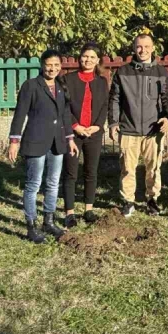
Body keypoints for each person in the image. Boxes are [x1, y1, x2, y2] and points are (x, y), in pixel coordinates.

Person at [8, 49, 78, 243]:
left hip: (57, 142)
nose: (52, 68)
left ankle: (49, 220)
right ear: (42, 64)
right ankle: (31, 226)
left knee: (53, 182)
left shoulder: (61, 86)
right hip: (35, 141)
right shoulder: (31, 86)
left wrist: (70, 139)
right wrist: (14, 141)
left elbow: (65, 115)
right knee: (33, 184)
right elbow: (19, 115)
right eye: (49, 65)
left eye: (56, 65)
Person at [109, 34, 168, 218]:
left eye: (147, 46)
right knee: (128, 168)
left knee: (153, 168)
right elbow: (114, 99)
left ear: (153, 48)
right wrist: (113, 123)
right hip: (128, 129)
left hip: (152, 131)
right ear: (134, 48)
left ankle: (152, 200)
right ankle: (128, 201)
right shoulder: (123, 72)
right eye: (139, 46)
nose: (143, 50)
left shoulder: (160, 72)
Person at [61, 42, 109, 228]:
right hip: (74, 133)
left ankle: (88, 209)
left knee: (91, 171)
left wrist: (97, 126)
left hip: (94, 133)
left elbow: (104, 105)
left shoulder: (101, 81)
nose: (88, 60)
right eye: (85, 56)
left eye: (92, 57)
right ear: (80, 57)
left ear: (98, 60)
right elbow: (63, 106)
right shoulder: (67, 79)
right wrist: (75, 126)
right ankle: (69, 213)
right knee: (71, 172)